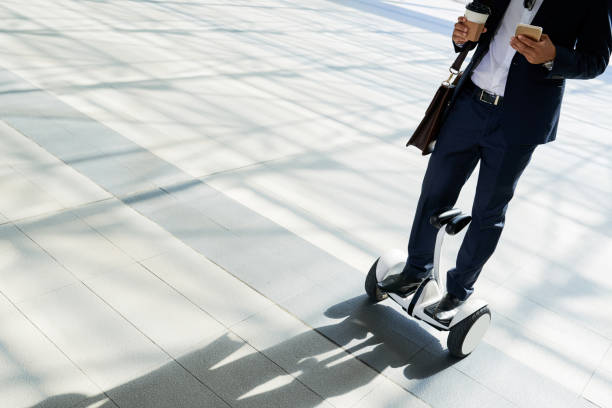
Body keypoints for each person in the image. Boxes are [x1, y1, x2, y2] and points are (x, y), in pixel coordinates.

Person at [378, 0, 612, 321]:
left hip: (519, 120)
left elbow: (596, 60)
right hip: (469, 104)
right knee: (435, 190)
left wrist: (554, 56)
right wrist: (462, 36)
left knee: (488, 210)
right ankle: (416, 269)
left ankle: (458, 291)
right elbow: (474, 31)